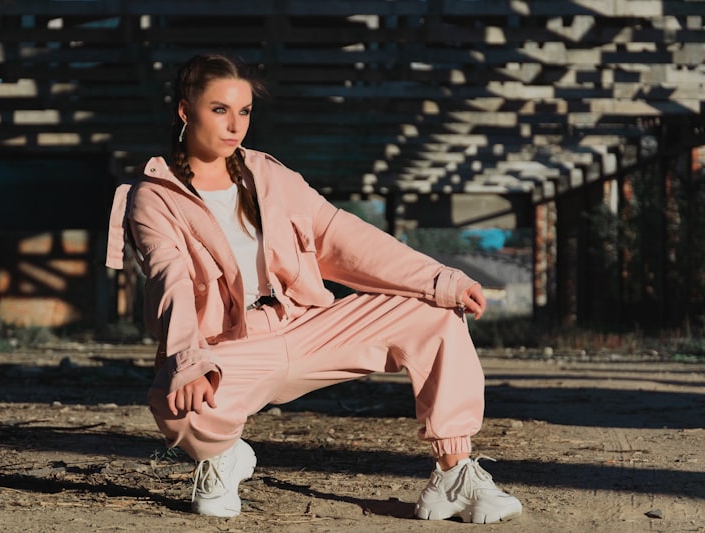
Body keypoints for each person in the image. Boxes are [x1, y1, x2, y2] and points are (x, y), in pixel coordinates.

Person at [106, 53, 522, 523]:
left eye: (243, 112)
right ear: (186, 111)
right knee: (174, 395)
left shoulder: (269, 177)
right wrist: (187, 358)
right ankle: (222, 456)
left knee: (435, 313)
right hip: (232, 350)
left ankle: (454, 475)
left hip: (304, 326)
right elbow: (170, 277)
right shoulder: (154, 197)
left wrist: (441, 279)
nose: (234, 125)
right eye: (220, 109)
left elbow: (344, 237)